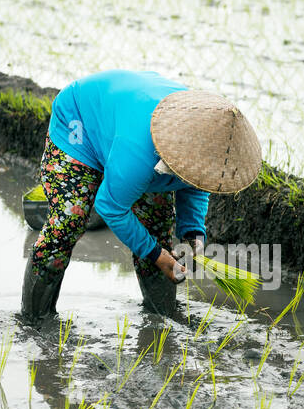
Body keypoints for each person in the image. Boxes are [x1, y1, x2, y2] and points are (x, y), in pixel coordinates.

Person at [21, 69, 262, 324]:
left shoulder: (204, 138)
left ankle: (162, 318)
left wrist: (193, 234)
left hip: (128, 117)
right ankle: (34, 320)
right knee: (67, 224)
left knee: (156, 228)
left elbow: (195, 182)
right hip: (80, 121)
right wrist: (158, 256)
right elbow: (110, 207)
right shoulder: (139, 152)